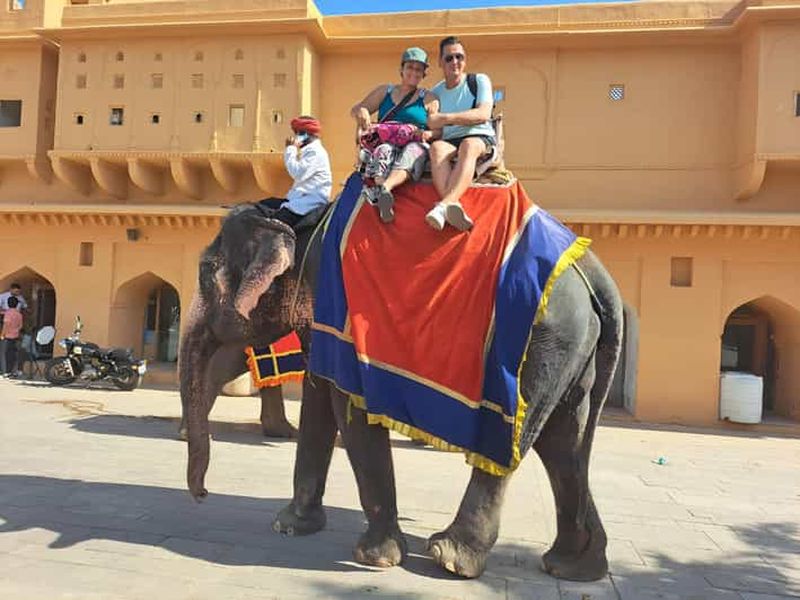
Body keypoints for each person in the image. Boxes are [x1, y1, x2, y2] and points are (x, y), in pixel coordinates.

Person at [350, 47, 439, 223]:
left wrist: (426, 134)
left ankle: (385, 188)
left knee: (412, 153)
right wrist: (362, 112)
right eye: (410, 67)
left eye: (419, 69)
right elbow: (357, 109)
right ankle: (380, 188)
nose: (414, 72)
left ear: (423, 74)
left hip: (414, 141)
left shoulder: (429, 98)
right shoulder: (385, 92)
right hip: (387, 141)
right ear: (401, 69)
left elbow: (438, 130)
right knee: (383, 150)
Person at [425, 36, 496, 232]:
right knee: (436, 148)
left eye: (459, 57)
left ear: (465, 59)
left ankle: (443, 205)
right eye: (449, 58)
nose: (455, 62)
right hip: (449, 140)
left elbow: (483, 114)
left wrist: (446, 118)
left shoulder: (479, 80)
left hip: (479, 137)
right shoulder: (435, 92)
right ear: (440, 62)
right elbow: (433, 123)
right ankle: (452, 205)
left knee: (469, 145)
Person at [259, 116, 332, 228]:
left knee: (273, 225)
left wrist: (290, 149)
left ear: (306, 134)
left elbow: (297, 172)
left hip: (309, 202)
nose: (296, 137)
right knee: (263, 205)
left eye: (298, 133)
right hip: (298, 199)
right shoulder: (309, 151)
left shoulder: (316, 152)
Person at [1, 296, 23, 377]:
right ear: (17, 304)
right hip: (16, 336)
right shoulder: (19, 314)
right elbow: (20, 326)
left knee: (5, 355)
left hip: (7, 336)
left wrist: (2, 334)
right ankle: (14, 371)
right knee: (14, 355)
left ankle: (6, 372)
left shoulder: (8, 313)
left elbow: (6, 325)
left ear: (8, 303)